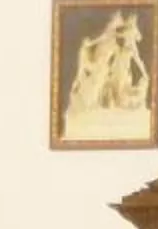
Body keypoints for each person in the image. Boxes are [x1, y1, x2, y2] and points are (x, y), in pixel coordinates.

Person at [63, 9, 150, 137]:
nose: (120, 22)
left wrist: (144, 72)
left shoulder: (123, 40)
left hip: (112, 67)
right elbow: (103, 39)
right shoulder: (111, 35)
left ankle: (107, 101)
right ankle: (89, 102)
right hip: (104, 65)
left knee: (114, 85)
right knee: (97, 84)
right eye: (117, 19)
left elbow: (136, 42)